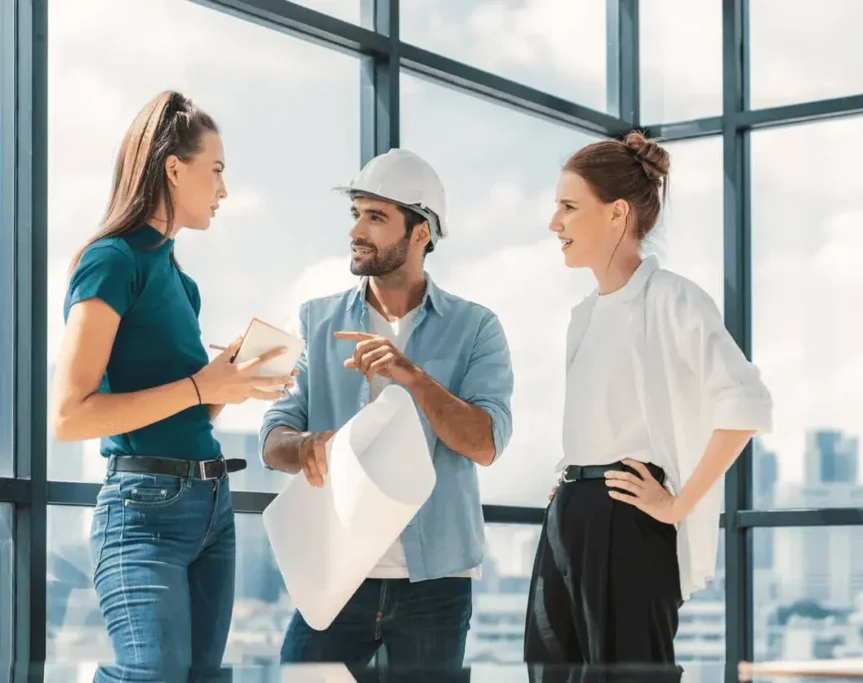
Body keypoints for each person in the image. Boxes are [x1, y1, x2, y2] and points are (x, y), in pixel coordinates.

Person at [50, 91, 295, 678]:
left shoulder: (183, 287)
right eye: (216, 171)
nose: (224, 190)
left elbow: (183, 414)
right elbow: (69, 416)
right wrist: (199, 385)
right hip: (142, 514)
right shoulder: (111, 261)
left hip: (212, 507)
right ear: (173, 167)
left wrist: (224, 383)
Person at [524, 132, 774, 665]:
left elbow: (746, 402)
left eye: (568, 207)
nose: (555, 224)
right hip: (569, 516)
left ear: (616, 214)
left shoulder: (673, 298)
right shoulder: (584, 316)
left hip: (627, 521)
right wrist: (574, 474)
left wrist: (678, 504)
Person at [260, 148, 515, 671]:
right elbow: (272, 437)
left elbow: (486, 444)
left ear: (421, 232)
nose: (357, 229)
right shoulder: (313, 319)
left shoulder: (477, 328)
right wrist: (304, 447)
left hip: (436, 584)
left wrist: (414, 378)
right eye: (356, 213)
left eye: (376, 217)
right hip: (336, 572)